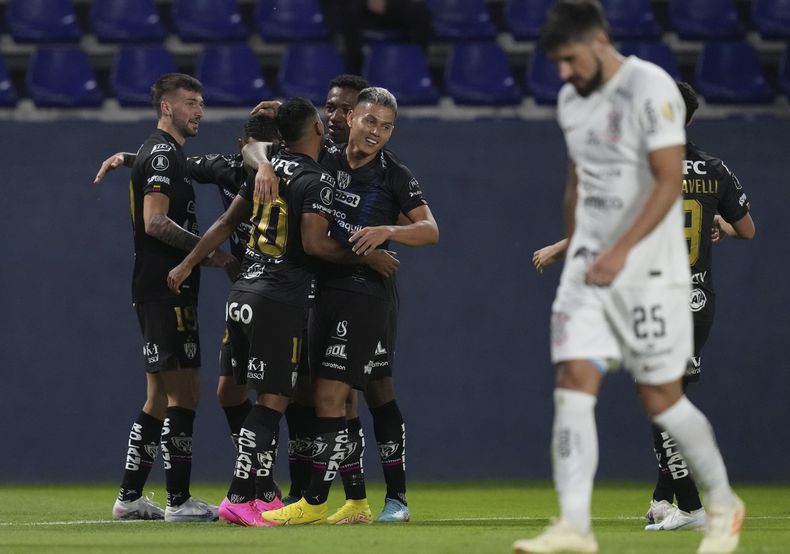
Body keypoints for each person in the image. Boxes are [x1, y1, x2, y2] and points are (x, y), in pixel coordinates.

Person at [512, 3, 743, 553]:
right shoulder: (572, 100)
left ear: (598, 40)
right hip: (592, 270)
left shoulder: (651, 88)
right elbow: (576, 181)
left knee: (661, 398)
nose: (563, 74)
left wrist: (619, 250)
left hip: (652, 270)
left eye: (569, 59)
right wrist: (579, 251)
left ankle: (724, 504)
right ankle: (574, 527)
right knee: (573, 384)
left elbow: (667, 182)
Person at [166, 96, 399, 527]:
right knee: (274, 398)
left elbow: (224, 223)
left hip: (242, 292)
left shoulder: (266, 165)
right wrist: (368, 255)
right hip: (279, 296)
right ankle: (242, 495)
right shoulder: (314, 179)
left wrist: (186, 263)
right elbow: (314, 245)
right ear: (314, 130)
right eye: (321, 121)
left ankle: (261, 494)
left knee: (243, 392)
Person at [257, 87, 439, 526]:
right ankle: (355, 501)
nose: (377, 132)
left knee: (368, 390)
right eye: (371, 121)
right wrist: (264, 157)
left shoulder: (394, 174)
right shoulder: (326, 158)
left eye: (387, 126)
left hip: (368, 295)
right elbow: (265, 146)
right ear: (352, 118)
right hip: (323, 290)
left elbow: (430, 230)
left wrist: (387, 231)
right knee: (337, 398)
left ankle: (388, 498)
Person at [95, 115, 285, 501]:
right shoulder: (230, 167)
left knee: (289, 394)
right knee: (225, 393)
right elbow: (178, 166)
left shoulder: (292, 173)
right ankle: (252, 489)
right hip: (248, 296)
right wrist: (133, 158)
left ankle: (274, 489)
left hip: (287, 295)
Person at [111, 73, 237, 522]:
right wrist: (211, 255)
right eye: (190, 102)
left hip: (160, 289)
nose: (199, 110)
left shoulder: (158, 152)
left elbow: (155, 169)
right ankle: (178, 501)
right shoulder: (164, 153)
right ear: (167, 107)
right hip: (164, 289)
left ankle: (130, 497)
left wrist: (128, 158)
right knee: (182, 394)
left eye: (201, 102)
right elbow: (155, 223)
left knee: (161, 397)